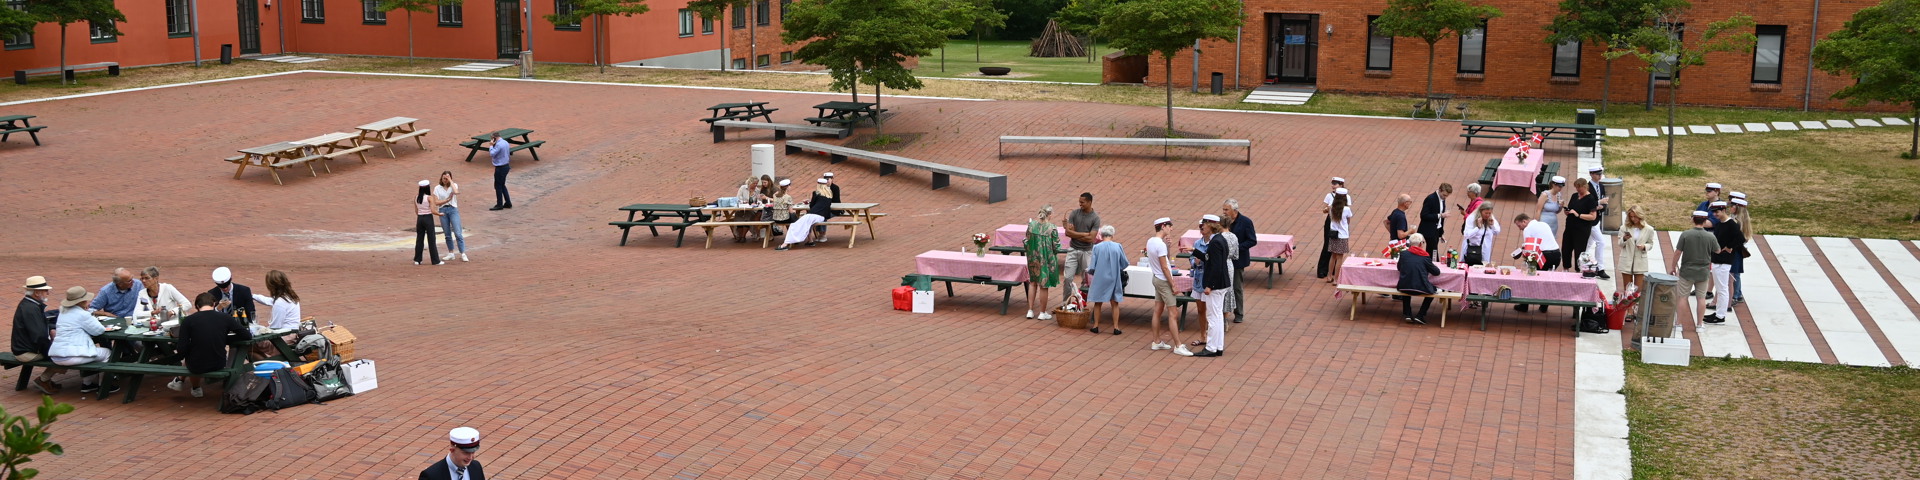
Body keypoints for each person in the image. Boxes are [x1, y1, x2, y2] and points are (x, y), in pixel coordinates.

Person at [169, 292, 246, 398]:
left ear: (196, 306)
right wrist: (224, 338)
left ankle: (187, 384)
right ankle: (185, 383)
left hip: (196, 366)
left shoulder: (188, 320)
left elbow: (181, 349)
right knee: (195, 352)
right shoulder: (225, 317)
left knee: (191, 353)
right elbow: (246, 335)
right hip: (219, 363)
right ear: (214, 304)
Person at [49, 287, 115, 395]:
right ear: (82, 301)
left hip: (56, 355)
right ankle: (104, 385)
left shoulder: (63, 312)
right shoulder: (83, 314)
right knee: (107, 353)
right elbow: (98, 330)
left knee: (93, 352)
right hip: (71, 356)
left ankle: (87, 384)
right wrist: (88, 314)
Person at [1143, 218, 1193, 355]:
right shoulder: (1160, 244)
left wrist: (1168, 247)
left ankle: (1156, 341)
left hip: (1157, 278)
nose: (1171, 229)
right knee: (1173, 313)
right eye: (1170, 226)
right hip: (1164, 281)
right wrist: (1173, 285)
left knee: (1157, 310)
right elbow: (1165, 266)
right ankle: (1178, 345)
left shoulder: (1151, 241)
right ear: (1163, 226)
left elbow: (1164, 260)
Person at [1669, 211, 1718, 328]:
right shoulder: (1710, 236)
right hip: (1703, 272)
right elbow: (1717, 250)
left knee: (1683, 297)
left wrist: (1673, 267)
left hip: (1687, 271)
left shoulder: (1686, 234)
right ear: (1705, 221)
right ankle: (1700, 324)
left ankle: (1679, 323)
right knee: (1701, 298)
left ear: (1693, 219)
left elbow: (1678, 252)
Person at [1191, 216, 1231, 357]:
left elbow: (1216, 266)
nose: (1202, 226)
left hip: (1216, 285)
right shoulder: (1220, 239)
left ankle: (1211, 348)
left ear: (1211, 226)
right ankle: (1218, 346)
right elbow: (1210, 258)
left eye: (1205, 224)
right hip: (1222, 284)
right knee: (1218, 316)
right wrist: (1195, 251)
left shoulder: (1215, 242)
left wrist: (1209, 285)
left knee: (1213, 317)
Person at [12, 276, 59, 394]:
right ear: (37, 293)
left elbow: (40, 329)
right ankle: (43, 380)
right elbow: (39, 337)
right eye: (45, 290)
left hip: (25, 347)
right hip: (27, 351)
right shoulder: (31, 308)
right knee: (64, 356)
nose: (47, 293)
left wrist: (50, 330)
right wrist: (50, 351)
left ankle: (45, 380)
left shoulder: (30, 304)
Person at [1511, 213, 1562, 313]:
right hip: (1556, 255)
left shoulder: (1527, 229)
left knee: (1531, 278)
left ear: (1524, 221)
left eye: (1519, 225)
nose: (1520, 229)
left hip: (1543, 256)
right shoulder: (1544, 224)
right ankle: (1544, 305)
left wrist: (1526, 260)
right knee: (1547, 280)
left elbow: (1529, 250)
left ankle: (1524, 305)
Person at [1061, 193, 1102, 307]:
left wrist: (1075, 234)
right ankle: (1065, 304)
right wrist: (1084, 234)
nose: (1080, 204)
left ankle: (1082, 304)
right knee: (1068, 278)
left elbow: (1091, 238)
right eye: (1079, 202)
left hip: (1087, 251)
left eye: (1082, 202)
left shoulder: (1095, 218)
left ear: (1089, 202)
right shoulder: (1074, 213)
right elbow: (1067, 232)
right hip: (1073, 249)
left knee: (1087, 280)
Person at [1086, 225, 1127, 335]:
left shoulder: (1097, 247)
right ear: (1112, 235)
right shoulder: (1118, 246)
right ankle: (1116, 327)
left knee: (1098, 302)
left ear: (1102, 235)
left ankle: (1096, 326)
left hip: (1100, 277)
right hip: (1114, 277)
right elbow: (1124, 263)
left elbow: (1092, 267)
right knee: (1114, 303)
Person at [1709, 202, 1745, 324]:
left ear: (1723, 210)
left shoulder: (1731, 224)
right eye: (1713, 212)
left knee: (1722, 289)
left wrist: (1729, 247)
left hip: (1724, 261)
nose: (1715, 214)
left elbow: (1741, 238)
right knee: (1719, 289)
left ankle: (1720, 316)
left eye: (1717, 212)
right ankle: (1719, 312)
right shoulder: (1720, 224)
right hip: (1716, 259)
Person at [1024, 205, 1062, 321]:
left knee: (1033, 283)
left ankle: (1030, 311)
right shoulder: (1052, 228)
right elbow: (1056, 246)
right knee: (1044, 286)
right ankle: (1042, 312)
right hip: (1046, 260)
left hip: (1033, 258)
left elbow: (1026, 241)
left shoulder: (1031, 225)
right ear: (1049, 215)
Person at [1221, 199, 1256, 323]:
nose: (1224, 212)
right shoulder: (1223, 222)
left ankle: (1239, 313)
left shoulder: (1246, 222)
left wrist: (1236, 248)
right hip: (1223, 260)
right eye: (1223, 209)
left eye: (1226, 209)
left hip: (1238, 260)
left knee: (1236, 287)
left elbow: (1252, 240)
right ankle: (1223, 312)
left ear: (1234, 210)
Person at [1396, 233, 1443, 325]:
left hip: (1403, 286)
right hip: (1420, 287)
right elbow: (1436, 272)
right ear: (1421, 244)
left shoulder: (1404, 254)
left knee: (1407, 284)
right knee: (1433, 290)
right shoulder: (1425, 257)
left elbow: (1399, 268)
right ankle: (1420, 315)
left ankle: (1408, 314)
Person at [776, 178, 835, 250]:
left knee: (794, 225)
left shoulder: (816, 193)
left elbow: (812, 206)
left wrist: (808, 202)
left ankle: (785, 244)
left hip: (813, 215)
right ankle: (810, 241)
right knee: (806, 225)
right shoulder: (829, 194)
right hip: (822, 216)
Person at [1561, 177, 1600, 272]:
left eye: (1579, 187)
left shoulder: (1590, 199)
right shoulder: (1574, 196)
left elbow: (1593, 216)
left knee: (1579, 250)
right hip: (1570, 227)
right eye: (1576, 187)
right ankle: (1566, 268)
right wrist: (1567, 212)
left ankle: (1578, 269)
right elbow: (1571, 208)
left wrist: (1578, 215)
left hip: (1582, 229)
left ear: (1585, 186)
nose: (1577, 190)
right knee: (1566, 248)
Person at [420, 427, 487, 480]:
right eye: (466, 453)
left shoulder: (476, 467)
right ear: (452, 450)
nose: (470, 457)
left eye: (473, 452)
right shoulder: (431, 476)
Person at [1616, 206, 1656, 295]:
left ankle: (1636, 308)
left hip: (1640, 261)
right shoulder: (1624, 228)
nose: (1633, 219)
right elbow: (1620, 244)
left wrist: (1644, 246)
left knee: (1638, 291)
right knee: (1627, 291)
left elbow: (1651, 244)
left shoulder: (1649, 229)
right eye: (1631, 216)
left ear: (1640, 216)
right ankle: (1628, 308)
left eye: (1635, 216)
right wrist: (1624, 239)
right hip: (1626, 260)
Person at [433, 171, 469, 262]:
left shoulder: (454, 185)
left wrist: (450, 181)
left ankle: (463, 253)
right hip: (443, 210)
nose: (445, 180)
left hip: (453, 210)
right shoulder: (437, 188)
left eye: (447, 178)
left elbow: (456, 192)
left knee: (457, 232)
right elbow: (436, 202)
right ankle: (451, 253)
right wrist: (447, 200)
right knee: (447, 234)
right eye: (444, 178)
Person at [1316, 177, 1346, 279]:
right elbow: (1323, 210)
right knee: (1327, 245)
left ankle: (1333, 270)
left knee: (1337, 247)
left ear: (1341, 185)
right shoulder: (1329, 196)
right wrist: (1327, 209)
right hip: (1330, 222)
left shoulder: (1346, 197)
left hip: (1340, 223)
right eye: (1332, 183)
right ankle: (1322, 269)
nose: (1333, 185)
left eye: (1336, 183)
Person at [1324, 188, 1353, 285]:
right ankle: (1336, 279)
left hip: (1333, 234)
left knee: (1333, 255)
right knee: (1340, 257)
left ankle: (1329, 276)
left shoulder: (1331, 208)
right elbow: (1348, 221)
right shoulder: (1346, 209)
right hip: (1342, 235)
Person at [1585, 166, 1610, 273]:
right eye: (1597, 174)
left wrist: (1602, 206)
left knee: (1589, 243)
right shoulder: (1587, 187)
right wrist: (1599, 204)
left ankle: (1581, 261)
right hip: (1591, 220)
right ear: (1591, 174)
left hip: (1597, 218)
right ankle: (1600, 268)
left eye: (1600, 174)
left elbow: (1604, 201)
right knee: (1601, 242)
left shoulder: (1601, 185)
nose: (1600, 176)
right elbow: (1587, 203)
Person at [414, 180, 445, 266]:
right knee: (431, 239)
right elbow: (433, 210)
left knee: (419, 239)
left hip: (420, 218)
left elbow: (416, 211)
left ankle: (417, 259)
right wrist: (440, 214)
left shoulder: (416, 197)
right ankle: (435, 260)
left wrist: (421, 215)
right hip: (428, 218)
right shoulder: (429, 198)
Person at [1418, 183, 1452, 254]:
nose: (1445, 197)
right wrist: (1440, 215)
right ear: (1440, 190)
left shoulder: (1442, 198)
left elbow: (1441, 219)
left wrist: (1441, 233)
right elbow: (1424, 215)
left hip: (1436, 230)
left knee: (1432, 252)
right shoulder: (1431, 199)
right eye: (1444, 195)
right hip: (1429, 230)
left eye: (1447, 196)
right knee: (1433, 253)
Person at [813, 172, 844, 242]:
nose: (827, 181)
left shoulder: (835, 188)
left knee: (823, 216)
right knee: (817, 214)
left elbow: (836, 201)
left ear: (832, 179)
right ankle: (820, 234)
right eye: (826, 179)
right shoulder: (821, 188)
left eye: (828, 179)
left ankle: (823, 234)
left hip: (834, 210)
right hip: (824, 209)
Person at [488, 133, 513, 211]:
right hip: (506, 166)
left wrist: (491, 145)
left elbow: (492, 153)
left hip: (500, 167)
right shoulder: (505, 142)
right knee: (502, 185)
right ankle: (508, 202)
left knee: (498, 186)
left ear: (494, 138)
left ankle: (499, 204)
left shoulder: (498, 145)